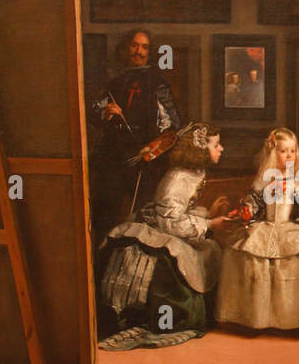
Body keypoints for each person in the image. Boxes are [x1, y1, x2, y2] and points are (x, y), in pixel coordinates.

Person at [97, 122, 232, 349]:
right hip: (158, 233)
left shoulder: (194, 172)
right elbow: (170, 222)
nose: (222, 149)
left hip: (170, 226)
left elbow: (182, 211)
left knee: (208, 250)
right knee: (188, 259)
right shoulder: (178, 178)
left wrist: (209, 214)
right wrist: (209, 224)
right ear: (199, 148)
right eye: (216, 144)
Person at [215, 127, 299, 329]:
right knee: (245, 254)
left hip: (290, 227)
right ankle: (261, 317)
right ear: (273, 152)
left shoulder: (296, 180)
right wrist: (246, 210)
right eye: (283, 151)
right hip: (267, 226)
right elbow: (253, 202)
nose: (289, 155)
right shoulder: (264, 180)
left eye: (292, 150)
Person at [88, 28, 183, 247]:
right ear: (125, 49)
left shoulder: (158, 84)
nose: (138, 52)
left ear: (150, 52)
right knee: (105, 217)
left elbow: (172, 126)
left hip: (144, 162)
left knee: (140, 221)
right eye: (134, 45)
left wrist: (151, 148)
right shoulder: (114, 83)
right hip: (113, 158)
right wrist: (105, 112)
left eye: (144, 47)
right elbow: (95, 113)